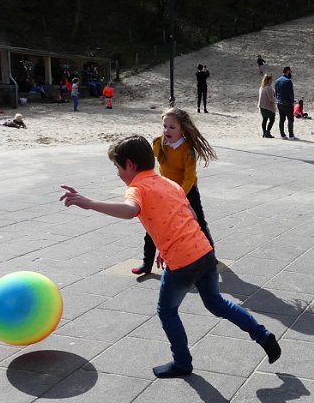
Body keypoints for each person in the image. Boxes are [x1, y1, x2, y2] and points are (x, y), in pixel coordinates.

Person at [60, 135, 281, 378]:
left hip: (183, 263)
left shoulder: (137, 188)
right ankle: (263, 335)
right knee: (217, 303)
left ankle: (182, 363)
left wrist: (90, 203)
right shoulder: (169, 183)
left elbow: (130, 211)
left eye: (118, 167)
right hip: (204, 252)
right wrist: (164, 249)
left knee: (167, 311)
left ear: (131, 165)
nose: (117, 173)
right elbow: (189, 218)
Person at [130, 107, 216, 277]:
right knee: (152, 227)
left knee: (198, 222)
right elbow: (147, 164)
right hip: (164, 191)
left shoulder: (187, 150)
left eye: (172, 127)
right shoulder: (158, 143)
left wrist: (180, 196)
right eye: (164, 126)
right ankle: (147, 264)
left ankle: (209, 257)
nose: (167, 130)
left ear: (182, 129)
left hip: (187, 190)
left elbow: (190, 178)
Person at [274, 66, 297, 140]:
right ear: (287, 71)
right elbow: (291, 93)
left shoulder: (277, 80)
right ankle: (291, 135)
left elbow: (276, 92)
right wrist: (292, 102)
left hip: (279, 103)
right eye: (290, 71)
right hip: (287, 103)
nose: (290, 73)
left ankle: (282, 135)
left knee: (282, 119)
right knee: (290, 119)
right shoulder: (288, 81)